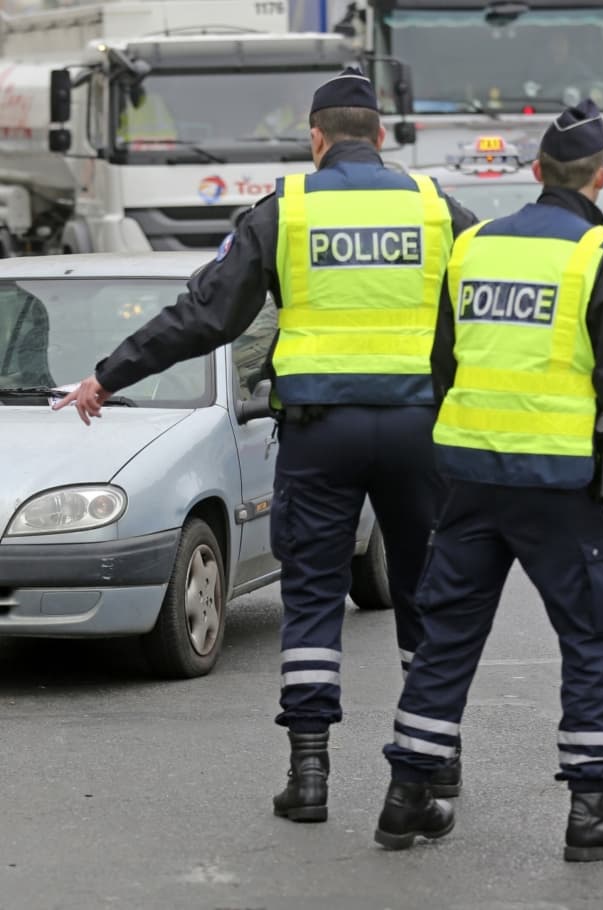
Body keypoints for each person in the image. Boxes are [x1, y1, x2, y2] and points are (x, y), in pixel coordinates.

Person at [54, 67, 477, 821]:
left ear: (315, 139)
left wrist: (109, 376)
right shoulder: (436, 208)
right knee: (425, 593)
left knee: (312, 596)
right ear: (381, 136)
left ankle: (309, 777)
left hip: (319, 435)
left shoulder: (288, 210)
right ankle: (432, 766)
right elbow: (486, 303)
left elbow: (206, 316)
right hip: (417, 429)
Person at [372, 99, 603, 861]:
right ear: (599, 178)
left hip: (469, 480)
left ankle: (408, 795)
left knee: (445, 640)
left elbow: (442, 365)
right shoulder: (599, 256)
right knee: (594, 633)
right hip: (556, 489)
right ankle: (591, 809)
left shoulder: (472, 249)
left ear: (535, 173)